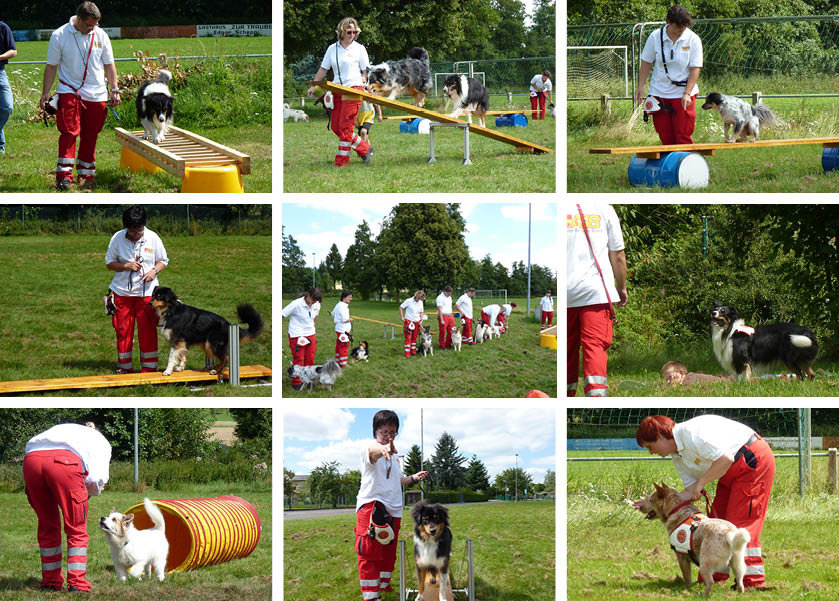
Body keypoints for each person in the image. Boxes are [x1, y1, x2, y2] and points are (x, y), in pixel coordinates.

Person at [633, 414, 775, 589]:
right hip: (728, 473)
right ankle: (714, 575)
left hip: (752, 459)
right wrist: (652, 503)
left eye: (650, 446)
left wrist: (700, 483)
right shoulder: (678, 457)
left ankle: (752, 582)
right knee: (719, 520)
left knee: (741, 522)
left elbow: (725, 459)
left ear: (660, 436)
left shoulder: (691, 434)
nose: (651, 452)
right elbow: (690, 493)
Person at [39, 2, 122, 189]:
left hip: (97, 92)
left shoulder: (101, 35)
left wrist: (114, 89)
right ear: (78, 19)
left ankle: (86, 174)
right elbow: (51, 66)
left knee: (91, 134)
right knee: (69, 131)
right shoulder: (59, 35)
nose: (93, 28)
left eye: (96, 25)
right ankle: (64, 175)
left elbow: (109, 65)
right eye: (89, 25)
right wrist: (45, 93)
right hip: (69, 89)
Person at [23, 421, 112, 592]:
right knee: (76, 528)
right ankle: (77, 584)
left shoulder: (64, 429)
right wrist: (91, 492)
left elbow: (35, 446)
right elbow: (96, 480)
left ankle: (50, 582)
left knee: (47, 525)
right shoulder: (101, 441)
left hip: (32, 460)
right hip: (64, 463)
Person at [355, 410, 428, 601]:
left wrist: (413, 478)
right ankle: (371, 596)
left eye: (393, 433)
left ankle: (384, 584)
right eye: (385, 432)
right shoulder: (369, 447)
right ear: (376, 430)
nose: (389, 436)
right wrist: (383, 449)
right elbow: (373, 453)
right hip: (373, 506)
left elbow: (397, 480)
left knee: (388, 552)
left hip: (394, 508)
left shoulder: (394, 457)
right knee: (370, 552)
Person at [567, 202, 627, 397]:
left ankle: (566, 394)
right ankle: (596, 398)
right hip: (596, 292)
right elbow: (617, 255)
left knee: (567, 350)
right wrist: (621, 287)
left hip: (567, 293)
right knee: (594, 347)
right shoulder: (604, 208)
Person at [105, 205, 168, 374]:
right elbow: (109, 263)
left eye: (138, 232)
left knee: (147, 331)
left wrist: (153, 272)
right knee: (123, 330)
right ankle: (124, 367)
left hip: (147, 294)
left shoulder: (153, 238)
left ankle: (149, 368)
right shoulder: (117, 238)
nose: (134, 235)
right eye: (131, 232)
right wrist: (125, 265)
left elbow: (163, 261)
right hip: (121, 293)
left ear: (144, 226)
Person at [307, 17, 373, 166]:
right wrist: (313, 85)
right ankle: (365, 148)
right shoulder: (332, 49)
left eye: (355, 32)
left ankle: (341, 162)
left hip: (354, 90)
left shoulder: (359, 48)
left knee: (345, 127)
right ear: (341, 32)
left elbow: (366, 71)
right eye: (349, 31)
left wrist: (365, 81)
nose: (352, 34)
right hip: (336, 90)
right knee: (336, 127)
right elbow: (324, 68)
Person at [634, 5, 703, 145]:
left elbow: (695, 68)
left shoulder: (693, 39)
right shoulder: (655, 37)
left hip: (683, 94)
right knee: (665, 136)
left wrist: (687, 93)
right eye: (678, 27)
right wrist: (640, 86)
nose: (681, 30)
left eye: (684, 27)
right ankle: (669, 166)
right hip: (659, 93)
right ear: (668, 22)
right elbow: (646, 62)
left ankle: (686, 165)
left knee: (682, 135)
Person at [282, 287, 322, 390]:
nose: (313, 303)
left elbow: (316, 315)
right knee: (299, 358)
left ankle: (308, 380)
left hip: (310, 334)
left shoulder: (317, 304)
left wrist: (313, 327)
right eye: (312, 300)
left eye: (315, 301)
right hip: (297, 334)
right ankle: (296, 382)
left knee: (310, 358)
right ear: (307, 295)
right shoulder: (296, 304)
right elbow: (281, 315)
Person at [0, 19, 17, 155]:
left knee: (7, 107)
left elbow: (13, 51)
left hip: (0, 72)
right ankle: (0, 148)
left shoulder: (3, 27)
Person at [399, 290, 425, 357]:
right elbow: (401, 307)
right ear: (416, 295)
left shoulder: (421, 302)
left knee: (414, 337)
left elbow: (421, 312)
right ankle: (407, 353)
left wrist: (421, 319)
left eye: (421, 298)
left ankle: (413, 351)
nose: (419, 299)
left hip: (417, 322)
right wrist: (402, 317)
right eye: (419, 298)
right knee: (408, 337)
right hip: (409, 321)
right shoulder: (408, 301)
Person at [662, 360, 730, 386]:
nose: (668, 381)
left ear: (681, 373)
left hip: (727, 381)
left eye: (670, 377)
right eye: (666, 379)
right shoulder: (687, 379)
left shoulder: (689, 380)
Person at [332, 290, 353, 368]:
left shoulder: (338, 304)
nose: (351, 299)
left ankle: (337, 360)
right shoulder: (343, 306)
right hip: (343, 330)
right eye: (349, 297)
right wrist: (350, 319)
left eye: (351, 297)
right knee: (344, 346)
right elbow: (345, 319)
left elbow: (333, 313)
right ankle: (343, 363)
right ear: (344, 297)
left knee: (339, 345)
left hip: (339, 329)